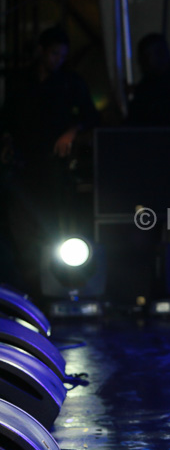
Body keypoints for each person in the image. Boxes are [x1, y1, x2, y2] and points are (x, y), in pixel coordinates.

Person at [0, 25, 99, 294]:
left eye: (63, 56)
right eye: (54, 54)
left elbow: (91, 115)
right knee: (20, 225)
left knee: (51, 223)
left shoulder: (69, 82)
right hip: (23, 164)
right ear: (41, 51)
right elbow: (7, 117)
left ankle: (52, 283)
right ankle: (28, 282)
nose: (58, 60)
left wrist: (73, 130)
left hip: (53, 165)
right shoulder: (21, 81)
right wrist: (7, 139)